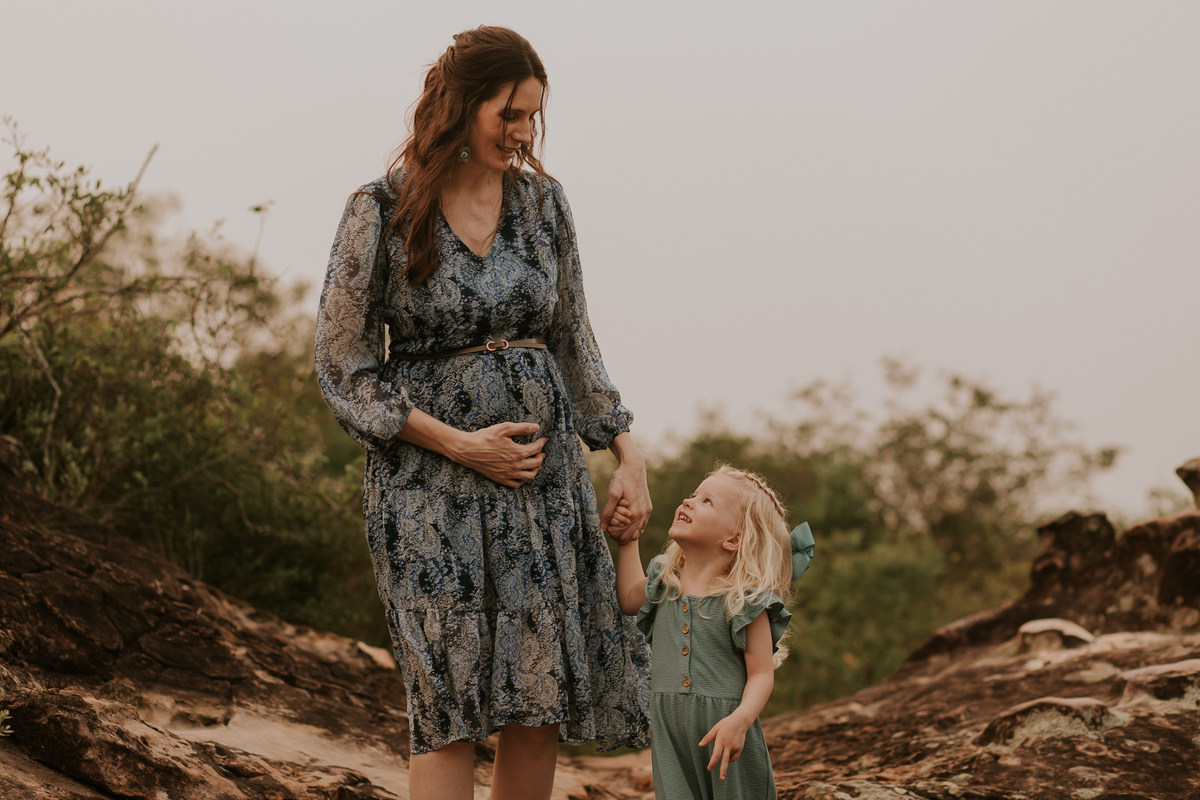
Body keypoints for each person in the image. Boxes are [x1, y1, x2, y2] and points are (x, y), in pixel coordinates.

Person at [314, 26, 652, 800]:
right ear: (462, 107)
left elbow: (574, 340)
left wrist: (625, 449)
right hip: (428, 488)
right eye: (508, 113)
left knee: (536, 704)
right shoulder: (381, 207)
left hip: (541, 480)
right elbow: (343, 368)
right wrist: (462, 446)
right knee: (449, 702)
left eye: (533, 116)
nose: (523, 132)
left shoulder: (544, 204)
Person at [609, 466, 815, 799]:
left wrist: (741, 721)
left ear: (733, 539)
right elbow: (629, 600)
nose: (688, 502)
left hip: (726, 732)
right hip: (671, 733)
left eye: (707, 501)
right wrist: (628, 541)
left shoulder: (745, 601)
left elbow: (761, 675)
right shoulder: (664, 580)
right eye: (692, 495)